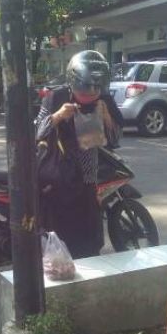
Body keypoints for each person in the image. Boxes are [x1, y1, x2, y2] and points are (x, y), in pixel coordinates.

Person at [35, 50, 123, 259]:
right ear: (73, 83)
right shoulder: (55, 97)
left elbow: (116, 138)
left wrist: (106, 116)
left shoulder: (104, 100)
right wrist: (57, 117)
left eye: (95, 92)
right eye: (85, 93)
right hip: (58, 179)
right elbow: (37, 132)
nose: (90, 97)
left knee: (89, 236)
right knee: (60, 237)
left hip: (87, 177)